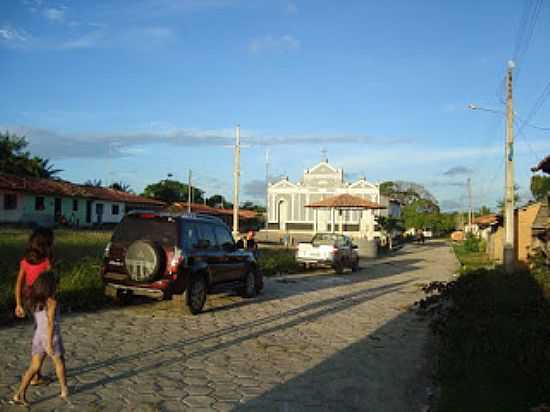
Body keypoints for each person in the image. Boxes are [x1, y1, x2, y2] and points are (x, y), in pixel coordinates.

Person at [11, 271, 68, 406]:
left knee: (34, 366)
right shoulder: (52, 302)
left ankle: (19, 393)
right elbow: (50, 323)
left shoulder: (35, 300)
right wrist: (49, 343)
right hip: (51, 337)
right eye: (56, 284)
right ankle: (64, 388)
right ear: (50, 287)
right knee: (59, 362)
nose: (57, 287)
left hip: (38, 336)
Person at [14, 227, 54, 387]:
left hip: (30, 303)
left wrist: (18, 303)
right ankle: (35, 374)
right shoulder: (46, 263)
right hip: (44, 304)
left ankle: (36, 373)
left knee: (39, 334)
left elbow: (18, 283)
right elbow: (51, 286)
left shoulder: (24, 262)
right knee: (44, 338)